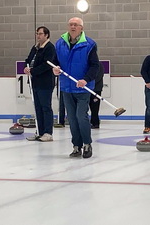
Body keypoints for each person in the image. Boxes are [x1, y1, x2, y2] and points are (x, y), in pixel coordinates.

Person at [52, 17, 99, 158]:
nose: (73, 27)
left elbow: (95, 66)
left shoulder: (89, 44)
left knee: (81, 116)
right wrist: (55, 69)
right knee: (71, 118)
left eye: (76, 25)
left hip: (83, 88)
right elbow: (54, 62)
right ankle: (76, 146)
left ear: (81, 28)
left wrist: (86, 79)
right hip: (66, 87)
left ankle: (87, 144)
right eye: (71, 24)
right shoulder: (60, 43)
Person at [24, 26, 56, 142]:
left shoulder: (50, 48)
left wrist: (33, 70)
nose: (38, 36)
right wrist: (26, 68)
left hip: (45, 82)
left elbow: (47, 65)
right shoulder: (35, 47)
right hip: (34, 82)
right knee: (37, 107)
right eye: (37, 33)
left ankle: (48, 132)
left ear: (46, 35)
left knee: (45, 107)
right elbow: (28, 60)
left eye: (40, 34)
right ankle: (40, 131)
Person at [89, 61, 104, 129]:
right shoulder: (88, 64)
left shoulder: (99, 65)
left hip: (96, 89)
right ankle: (91, 122)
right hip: (88, 89)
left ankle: (95, 123)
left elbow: (99, 76)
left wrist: (91, 83)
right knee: (90, 106)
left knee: (95, 107)